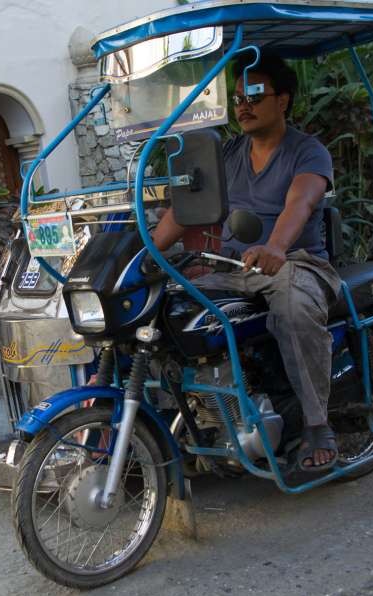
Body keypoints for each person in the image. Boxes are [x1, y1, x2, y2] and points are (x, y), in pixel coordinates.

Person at [153, 53, 342, 472]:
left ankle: (316, 425)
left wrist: (276, 245)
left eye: (255, 95)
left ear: (283, 100)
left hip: (296, 262)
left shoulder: (308, 152)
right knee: (163, 308)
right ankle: (190, 422)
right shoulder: (228, 153)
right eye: (237, 97)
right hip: (235, 267)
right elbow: (185, 208)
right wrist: (144, 253)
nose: (244, 105)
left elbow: (302, 201)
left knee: (293, 306)